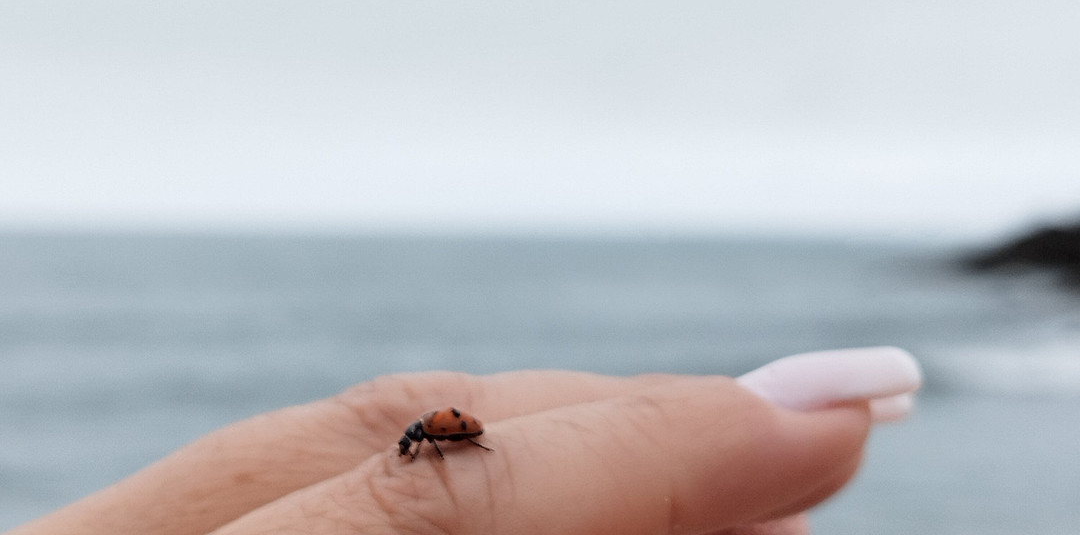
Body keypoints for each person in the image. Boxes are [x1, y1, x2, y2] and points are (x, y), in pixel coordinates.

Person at [7, 347, 920, 535]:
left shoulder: (432, 436)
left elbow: (440, 442)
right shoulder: (427, 437)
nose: (419, 449)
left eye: (421, 443)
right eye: (423, 442)